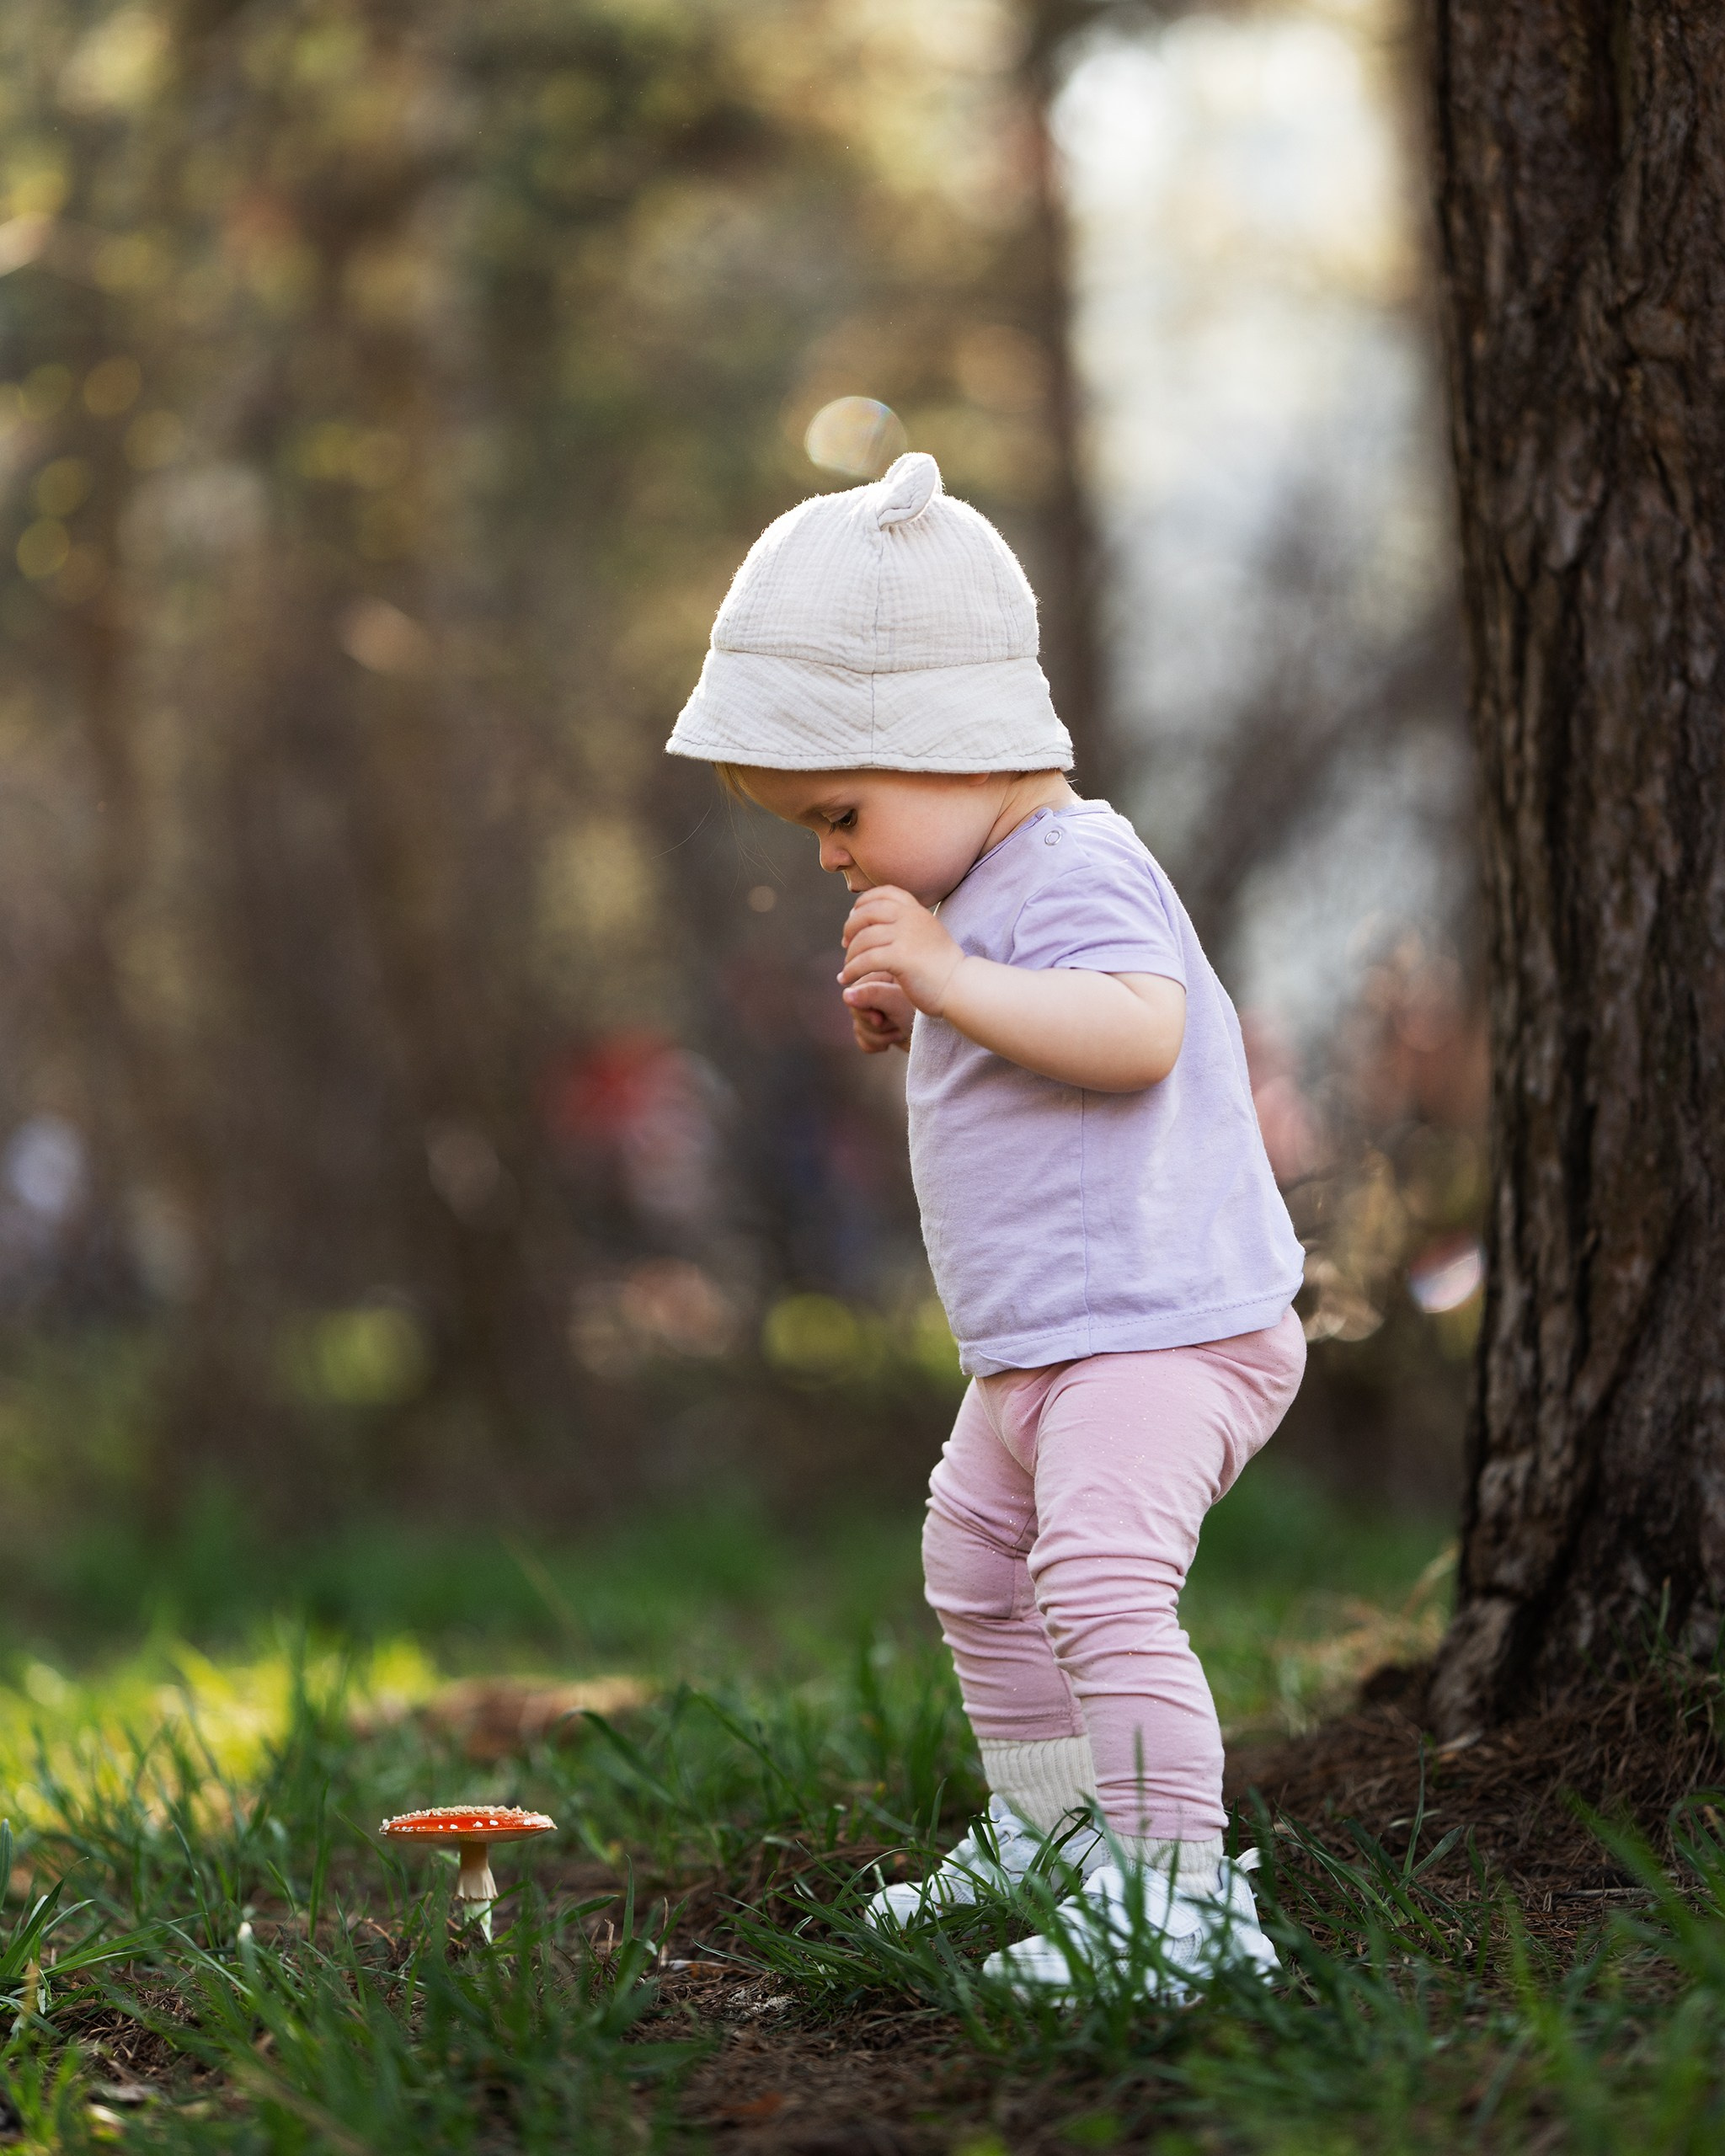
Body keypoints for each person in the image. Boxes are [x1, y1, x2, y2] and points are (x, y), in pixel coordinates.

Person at [667, 451, 1306, 1997]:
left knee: (1095, 1575)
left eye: (840, 811)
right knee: (976, 1558)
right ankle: (1056, 1827)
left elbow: (1138, 1033)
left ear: (948, 746)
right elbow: (1042, 1047)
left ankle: (1178, 1901)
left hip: (1164, 1329)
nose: (827, 853)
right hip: (1049, 1338)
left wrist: (955, 986)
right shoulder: (987, 887)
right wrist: (935, 1013)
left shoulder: (1080, 862)